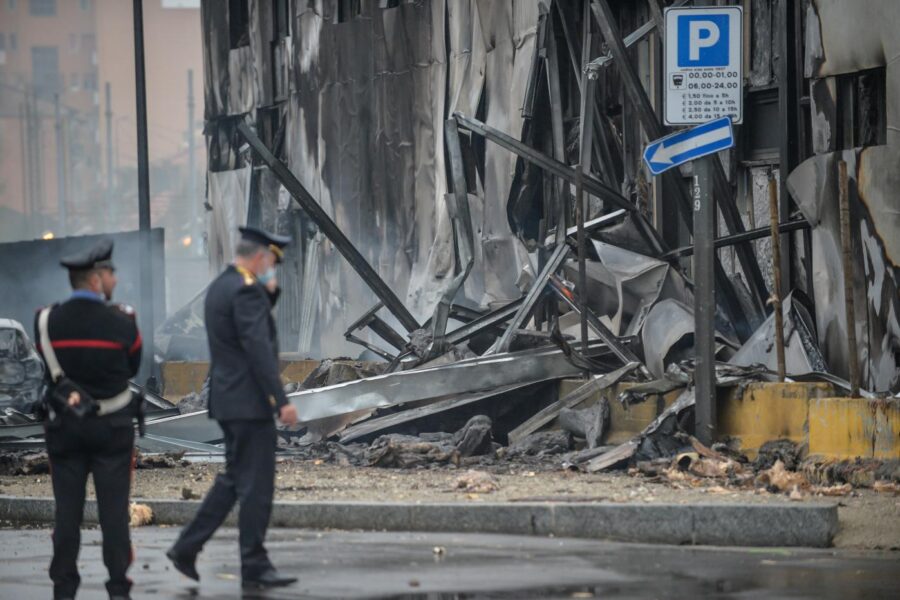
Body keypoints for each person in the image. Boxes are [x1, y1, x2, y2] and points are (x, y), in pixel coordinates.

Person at [166, 226, 299, 590]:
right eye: (272, 262)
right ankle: (253, 563)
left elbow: (243, 333)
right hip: (249, 403)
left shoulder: (222, 286)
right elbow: (257, 348)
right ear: (262, 257)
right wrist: (281, 400)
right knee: (257, 486)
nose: (272, 269)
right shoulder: (246, 290)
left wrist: (269, 293)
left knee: (235, 480)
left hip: (229, 400)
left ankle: (186, 547)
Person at [34, 239, 143, 600]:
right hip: (113, 430)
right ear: (96, 280)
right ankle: (118, 588)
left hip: (64, 429)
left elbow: (49, 372)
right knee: (114, 515)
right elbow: (132, 367)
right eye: (111, 273)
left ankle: (64, 588)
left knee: (67, 514)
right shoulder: (123, 320)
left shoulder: (46, 320)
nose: (116, 279)